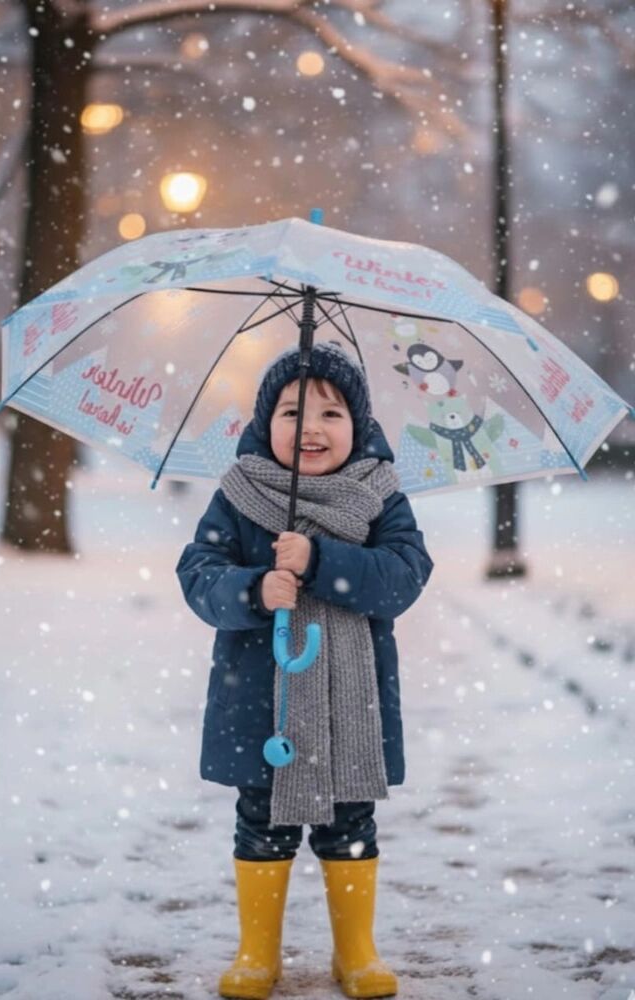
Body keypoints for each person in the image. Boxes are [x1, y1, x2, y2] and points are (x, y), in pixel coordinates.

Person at [176, 341, 433, 999]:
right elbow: (198, 575)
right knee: (262, 823)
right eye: (292, 412)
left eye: (332, 413)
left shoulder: (380, 497)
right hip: (262, 703)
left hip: (353, 704)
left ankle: (357, 952)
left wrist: (322, 561)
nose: (312, 428)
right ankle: (257, 954)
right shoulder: (240, 496)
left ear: (360, 425)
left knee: (350, 824)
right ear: (266, 425)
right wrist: (254, 590)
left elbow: (406, 576)